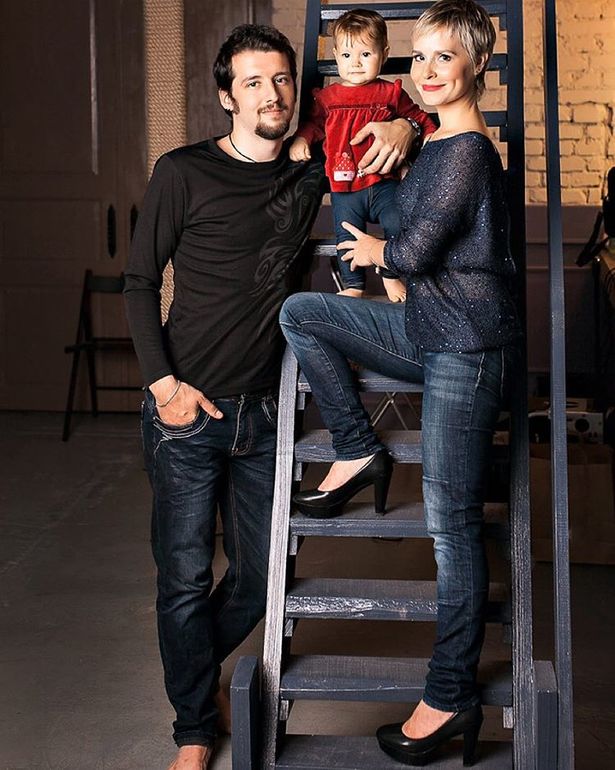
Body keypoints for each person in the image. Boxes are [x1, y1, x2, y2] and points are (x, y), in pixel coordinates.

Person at [124, 22, 415, 770]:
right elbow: (138, 282)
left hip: (263, 414)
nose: (271, 94)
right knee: (184, 579)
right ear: (227, 96)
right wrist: (164, 387)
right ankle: (194, 729)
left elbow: (390, 154)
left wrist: (402, 125)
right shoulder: (181, 172)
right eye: (253, 82)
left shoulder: (309, 173)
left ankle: (195, 674)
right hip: (185, 411)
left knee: (258, 580)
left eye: (282, 79)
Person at [279, 0, 522, 765]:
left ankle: (448, 698)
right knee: (301, 313)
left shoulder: (468, 151)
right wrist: (402, 131)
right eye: (417, 56)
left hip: (467, 348)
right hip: (425, 329)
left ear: (477, 64)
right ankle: (357, 447)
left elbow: (414, 253)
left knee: (450, 527)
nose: (426, 70)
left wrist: (377, 251)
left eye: (443, 56)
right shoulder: (434, 137)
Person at [290, 8, 436, 302]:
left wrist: (431, 135)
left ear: (384, 54)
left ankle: (391, 276)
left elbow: (418, 118)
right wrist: (301, 139)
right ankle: (354, 284)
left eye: (365, 54)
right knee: (347, 235)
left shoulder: (390, 93)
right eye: (346, 55)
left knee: (397, 224)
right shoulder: (328, 98)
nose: (355, 63)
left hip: (384, 182)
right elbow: (313, 124)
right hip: (345, 187)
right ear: (336, 55)